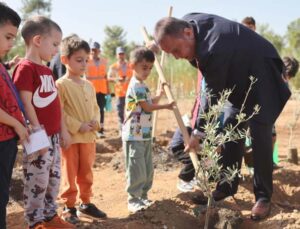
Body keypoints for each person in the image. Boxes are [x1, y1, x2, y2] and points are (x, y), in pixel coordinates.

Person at [153, 13, 291, 220]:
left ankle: (263, 197)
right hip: (237, 77)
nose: (175, 56)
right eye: (169, 52)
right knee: (230, 127)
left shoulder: (213, 48)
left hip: (261, 74)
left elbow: (210, 95)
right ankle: (226, 186)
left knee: (260, 132)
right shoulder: (187, 23)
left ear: (188, 33)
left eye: (175, 50)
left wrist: (198, 133)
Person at [12, 16, 74, 229]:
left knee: (53, 179)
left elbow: (56, 104)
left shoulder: (47, 70)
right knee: (36, 180)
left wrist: (63, 130)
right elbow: (26, 103)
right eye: (55, 44)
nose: (57, 50)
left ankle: (49, 217)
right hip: (38, 136)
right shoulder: (25, 68)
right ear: (38, 40)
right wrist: (37, 133)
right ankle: (35, 222)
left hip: (54, 136)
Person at [57, 35, 107, 224]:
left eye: (86, 60)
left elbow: (95, 107)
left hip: (88, 138)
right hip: (71, 138)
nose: (84, 64)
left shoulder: (89, 85)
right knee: (69, 172)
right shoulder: (61, 85)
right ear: (65, 60)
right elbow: (60, 112)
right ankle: (68, 208)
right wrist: (78, 126)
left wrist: (95, 121)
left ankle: (85, 202)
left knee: (86, 171)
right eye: (79, 60)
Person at [122, 47, 174, 213]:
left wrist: (159, 93)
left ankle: (143, 196)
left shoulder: (142, 85)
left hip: (144, 133)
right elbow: (147, 107)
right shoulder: (135, 85)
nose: (148, 71)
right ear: (132, 65)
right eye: (144, 68)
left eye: (150, 68)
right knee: (136, 167)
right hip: (134, 133)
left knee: (146, 168)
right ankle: (133, 199)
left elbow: (149, 101)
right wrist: (166, 106)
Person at [0, 3, 28, 229]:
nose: (11, 44)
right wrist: (17, 125)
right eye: (8, 37)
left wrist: (9, 65)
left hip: (7, 141)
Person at [108, 46, 133, 136]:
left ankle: (130, 128)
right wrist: (117, 79)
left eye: (122, 54)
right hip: (119, 93)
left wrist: (128, 79)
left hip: (130, 92)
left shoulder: (130, 65)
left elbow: (134, 76)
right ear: (116, 55)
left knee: (131, 111)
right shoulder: (113, 67)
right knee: (120, 113)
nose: (121, 55)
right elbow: (109, 78)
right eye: (119, 54)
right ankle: (122, 129)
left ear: (124, 55)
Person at [86, 41, 108, 138]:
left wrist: (108, 89)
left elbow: (105, 76)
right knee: (91, 110)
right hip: (91, 90)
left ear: (99, 50)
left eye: (96, 50)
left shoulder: (104, 61)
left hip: (102, 90)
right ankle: (92, 130)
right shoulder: (86, 61)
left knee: (101, 110)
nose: (94, 51)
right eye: (92, 50)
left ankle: (101, 130)